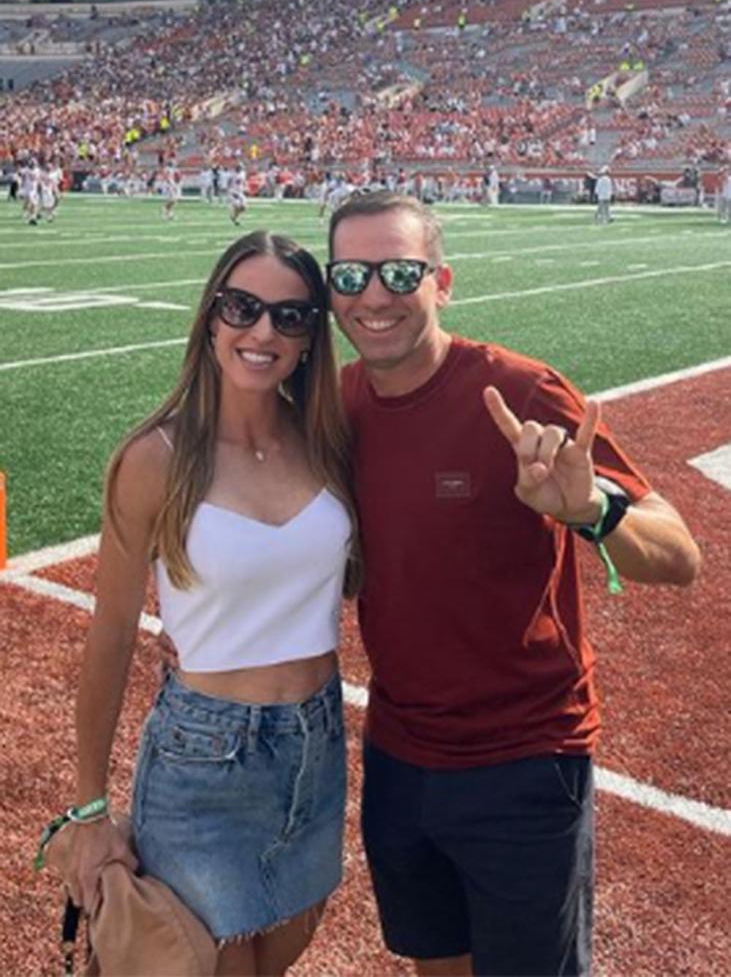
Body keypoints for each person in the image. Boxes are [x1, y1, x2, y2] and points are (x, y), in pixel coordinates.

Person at [324, 191, 700, 977]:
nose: (372, 296)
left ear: (443, 280)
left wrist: (591, 509)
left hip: (522, 761)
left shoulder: (518, 392)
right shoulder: (339, 404)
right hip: (398, 756)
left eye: (399, 270)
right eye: (350, 274)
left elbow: (678, 554)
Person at [65, 231, 360, 977]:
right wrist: (90, 809)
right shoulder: (155, 458)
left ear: (309, 338)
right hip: (205, 758)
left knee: (280, 953)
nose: (263, 331)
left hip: (317, 743)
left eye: (290, 317)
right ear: (211, 318)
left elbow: (345, 575)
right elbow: (109, 637)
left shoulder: (325, 438)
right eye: (242, 307)